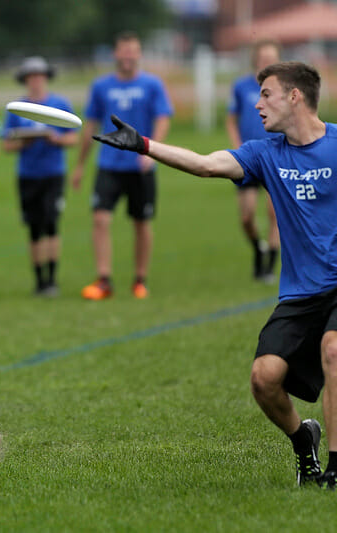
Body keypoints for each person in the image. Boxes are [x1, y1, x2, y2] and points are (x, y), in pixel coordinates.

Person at [93, 61, 337, 488]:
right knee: (264, 379)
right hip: (301, 291)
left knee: (334, 351)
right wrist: (144, 145)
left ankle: (335, 469)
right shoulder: (265, 153)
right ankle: (303, 441)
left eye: (266, 94)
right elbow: (205, 164)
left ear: (295, 96)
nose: (256, 103)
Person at [71, 31, 172, 300]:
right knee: (100, 218)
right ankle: (103, 279)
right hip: (108, 164)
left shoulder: (152, 84)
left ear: (139, 54)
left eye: (133, 51)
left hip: (141, 167)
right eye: (123, 51)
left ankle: (140, 279)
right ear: (115, 54)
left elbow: (163, 118)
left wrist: (151, 152)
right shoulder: (101, 86)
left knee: (141, 222)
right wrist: (80, 165)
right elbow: (90, 125)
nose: (128, 56)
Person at [2, 56, 77, 297]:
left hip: (53, 173)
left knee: (51, 224)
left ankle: (52, 279)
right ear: (25, 80)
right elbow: (7, 144)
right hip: (28, 175)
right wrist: (24, 141)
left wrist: (56, 139)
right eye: (30, 77)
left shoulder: (60, 104)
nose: (35, 81)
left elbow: (73, 137)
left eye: (39, 76)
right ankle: (39, 281)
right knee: (34, 227)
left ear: (46, 78)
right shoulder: (18, 108)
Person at [226, 39, 281, 282]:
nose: (267, 62)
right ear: (255, 60)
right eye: (263, 58)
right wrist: (236, 145)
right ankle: (258, 247)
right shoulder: (242, 86)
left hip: (276, 157)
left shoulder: (283, 88)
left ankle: (269, 263)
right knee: (246, 216)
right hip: (249, 158)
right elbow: (231, 118)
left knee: (275, 213)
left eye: (272, 58)